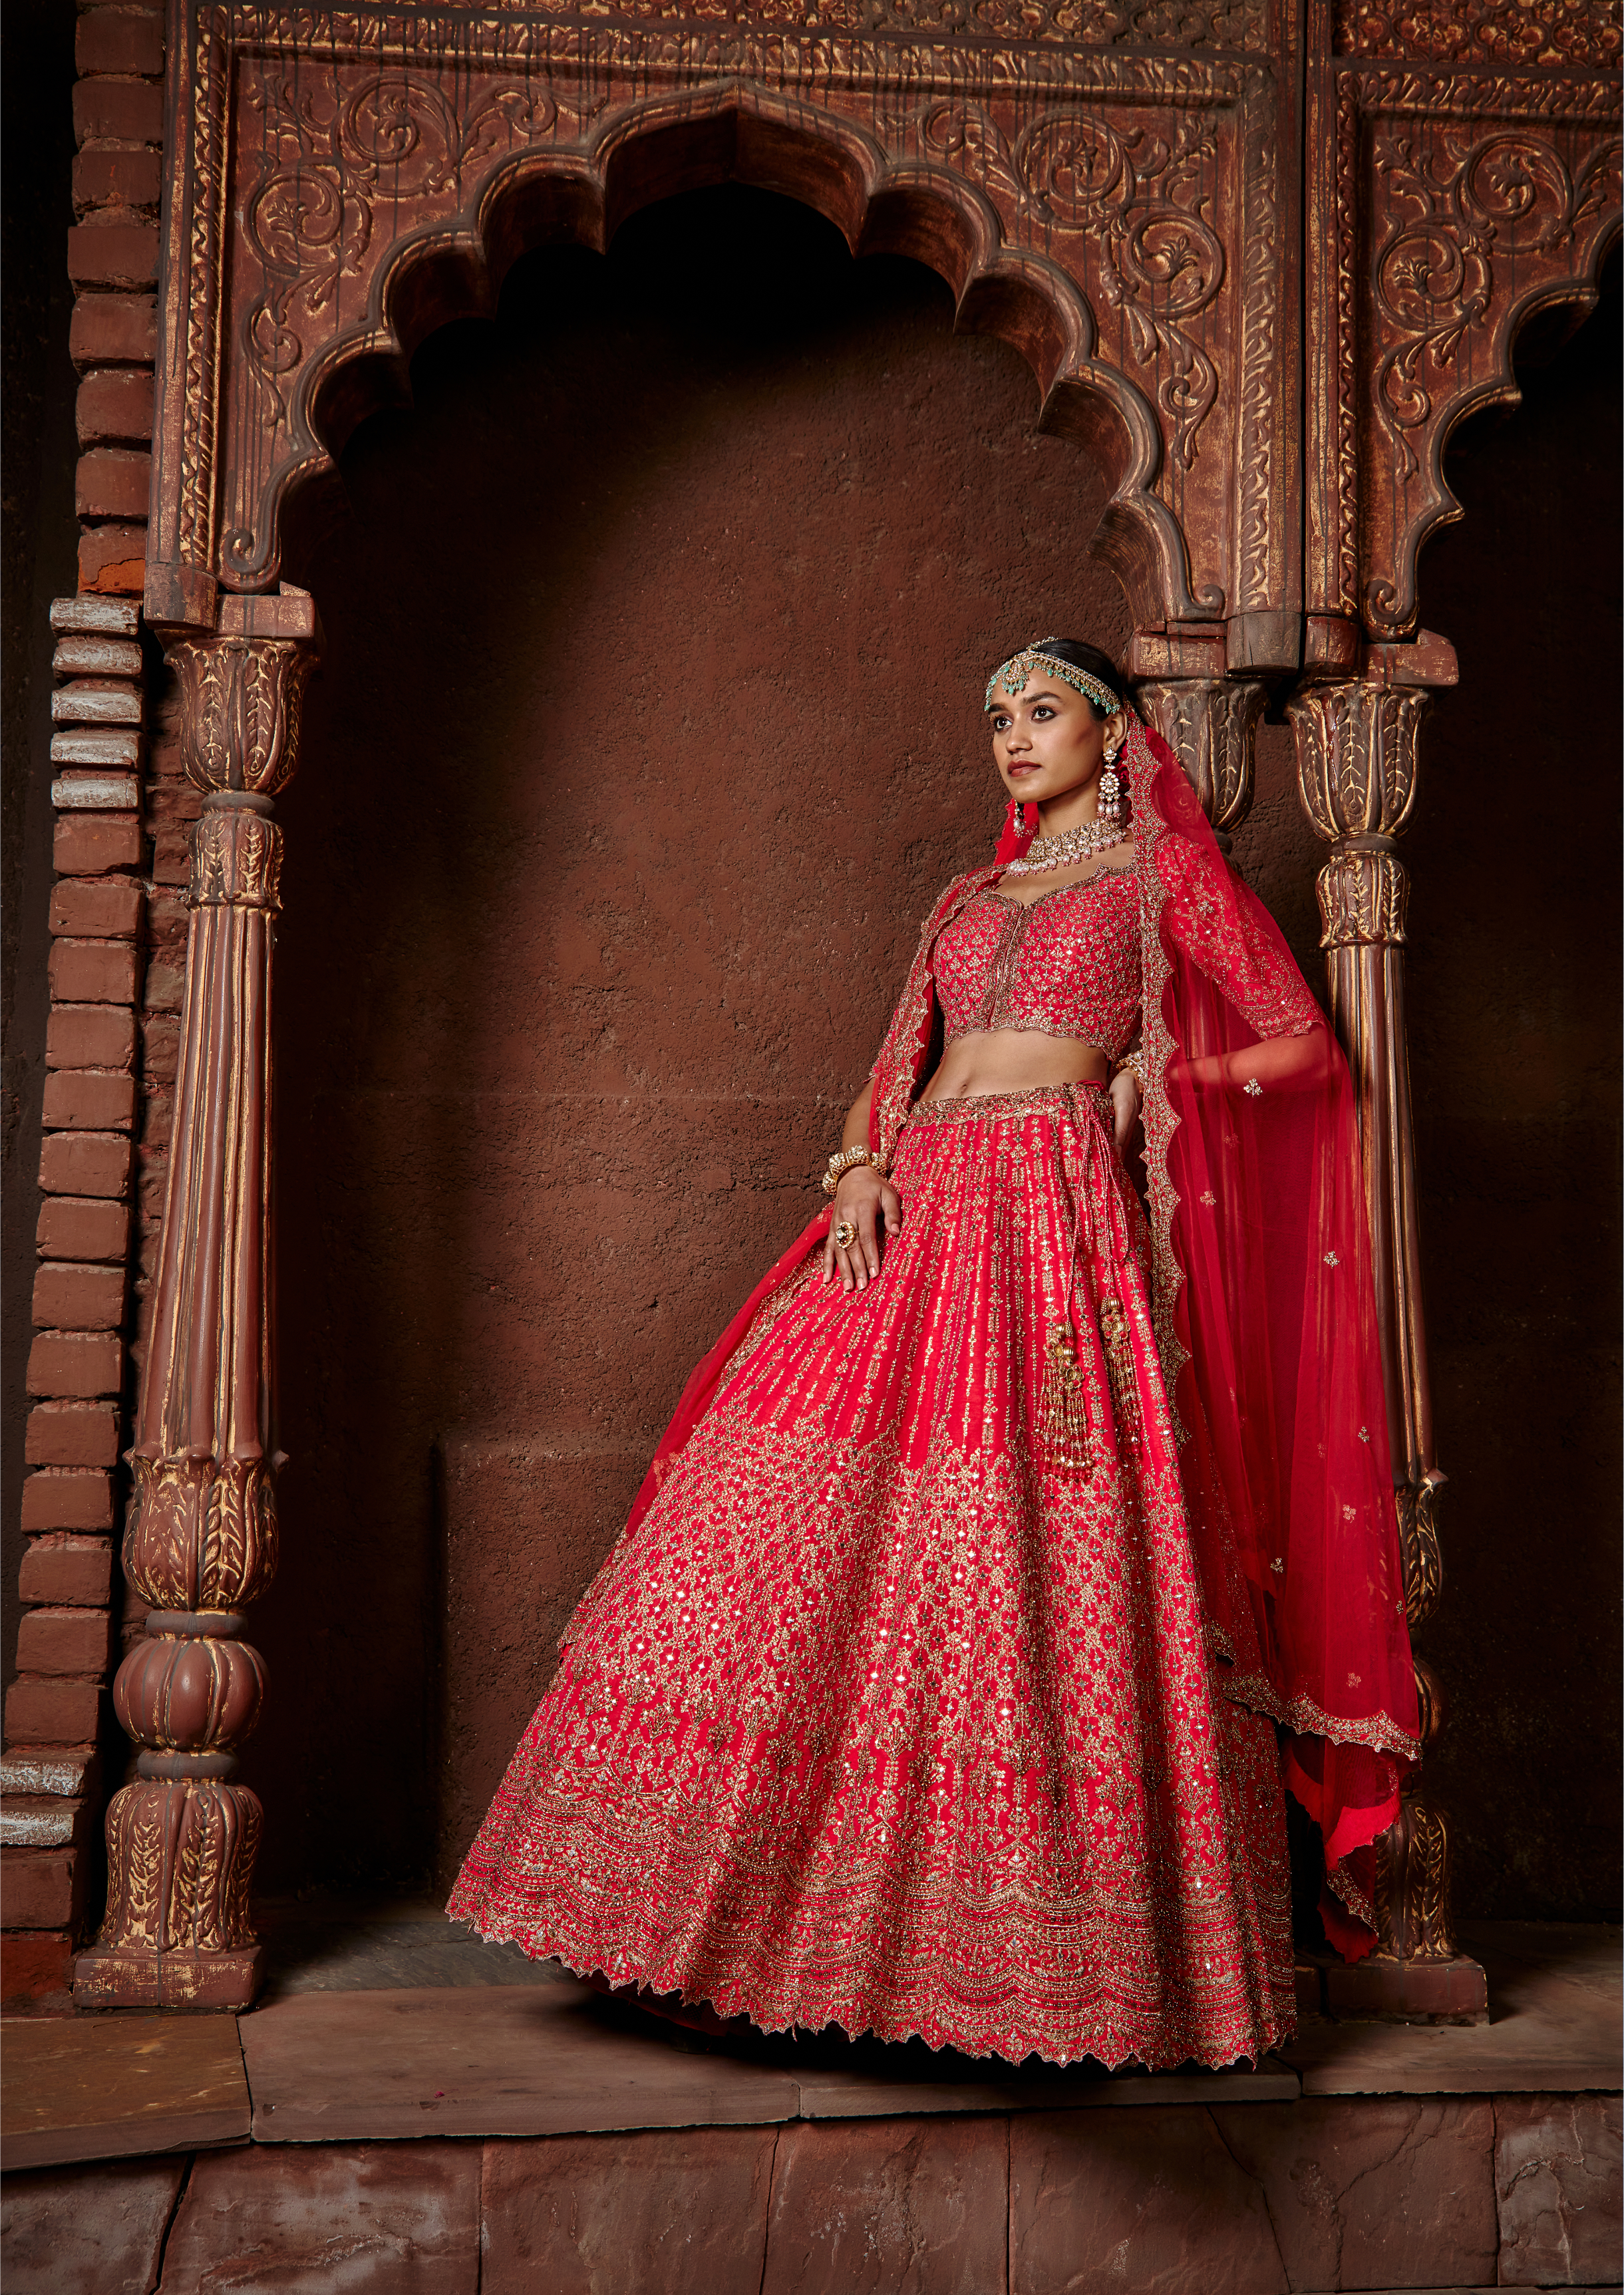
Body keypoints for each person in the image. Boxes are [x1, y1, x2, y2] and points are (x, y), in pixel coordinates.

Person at [448, 638, 1418, 2069]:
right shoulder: (964, 898)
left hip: (1048, 1213)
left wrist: (1157, 1083)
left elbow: (1296, 1049)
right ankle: (714, 1930)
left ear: (1111, 730)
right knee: (776, 1527)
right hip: (911, 1206)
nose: (1013, 739)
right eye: (995, 721)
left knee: (1020, 1545)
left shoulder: (1157, 880)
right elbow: (893, 1058)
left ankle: (1012, 1973)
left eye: (1040, 713)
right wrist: (854, 1164)